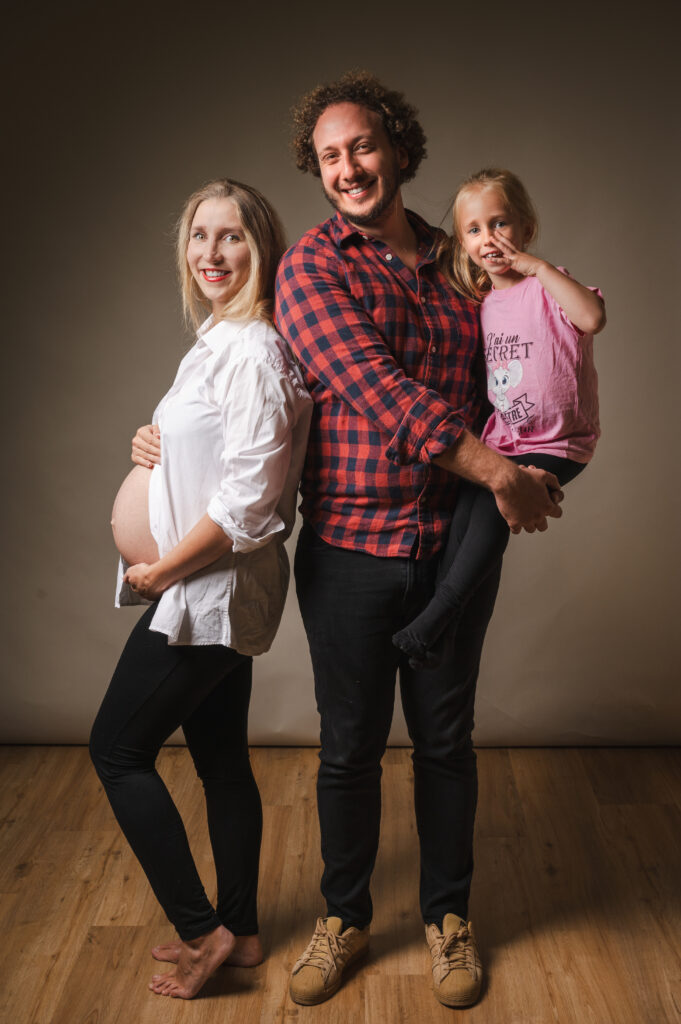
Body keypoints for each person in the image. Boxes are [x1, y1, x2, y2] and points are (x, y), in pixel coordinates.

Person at [274, 72, 564, 1010]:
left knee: (445, 744)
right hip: (349, 552)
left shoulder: (461, 257)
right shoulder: (313, 267)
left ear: (397, 149)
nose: (348, 168)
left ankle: (449, 918)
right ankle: (345, 916)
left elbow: (522, 360)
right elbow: (371, 388)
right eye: (329, 156)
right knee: (348, 748)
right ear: (317, 172)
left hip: (450, 551)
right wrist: (497, 474)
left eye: (361, 146)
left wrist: (553, 452)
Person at [90, 178, 311, 1000]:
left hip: (208, 590)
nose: (212, 255)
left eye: (232, 239)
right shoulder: (217, 339)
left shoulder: (254, 350)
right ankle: (244, 933)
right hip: (195, 584)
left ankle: (202, 929)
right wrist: (154, 442)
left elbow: (250, 502)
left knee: (116, 751)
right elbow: (209, 452)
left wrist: (163, 570)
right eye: (199, 237)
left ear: (262, 250)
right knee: (220, 760)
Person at [393, 168, 605, 668]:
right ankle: (443, 627)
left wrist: (539, 268)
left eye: (500, 224)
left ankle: (433, 620)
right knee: (467, 519)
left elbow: (593, 318)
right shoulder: (484, 305)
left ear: (526, 228)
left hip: (558, 441)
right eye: (474, 229)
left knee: (491, 510)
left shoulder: (549, 287)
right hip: (505, 441)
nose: (489, 238)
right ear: (462, 242)